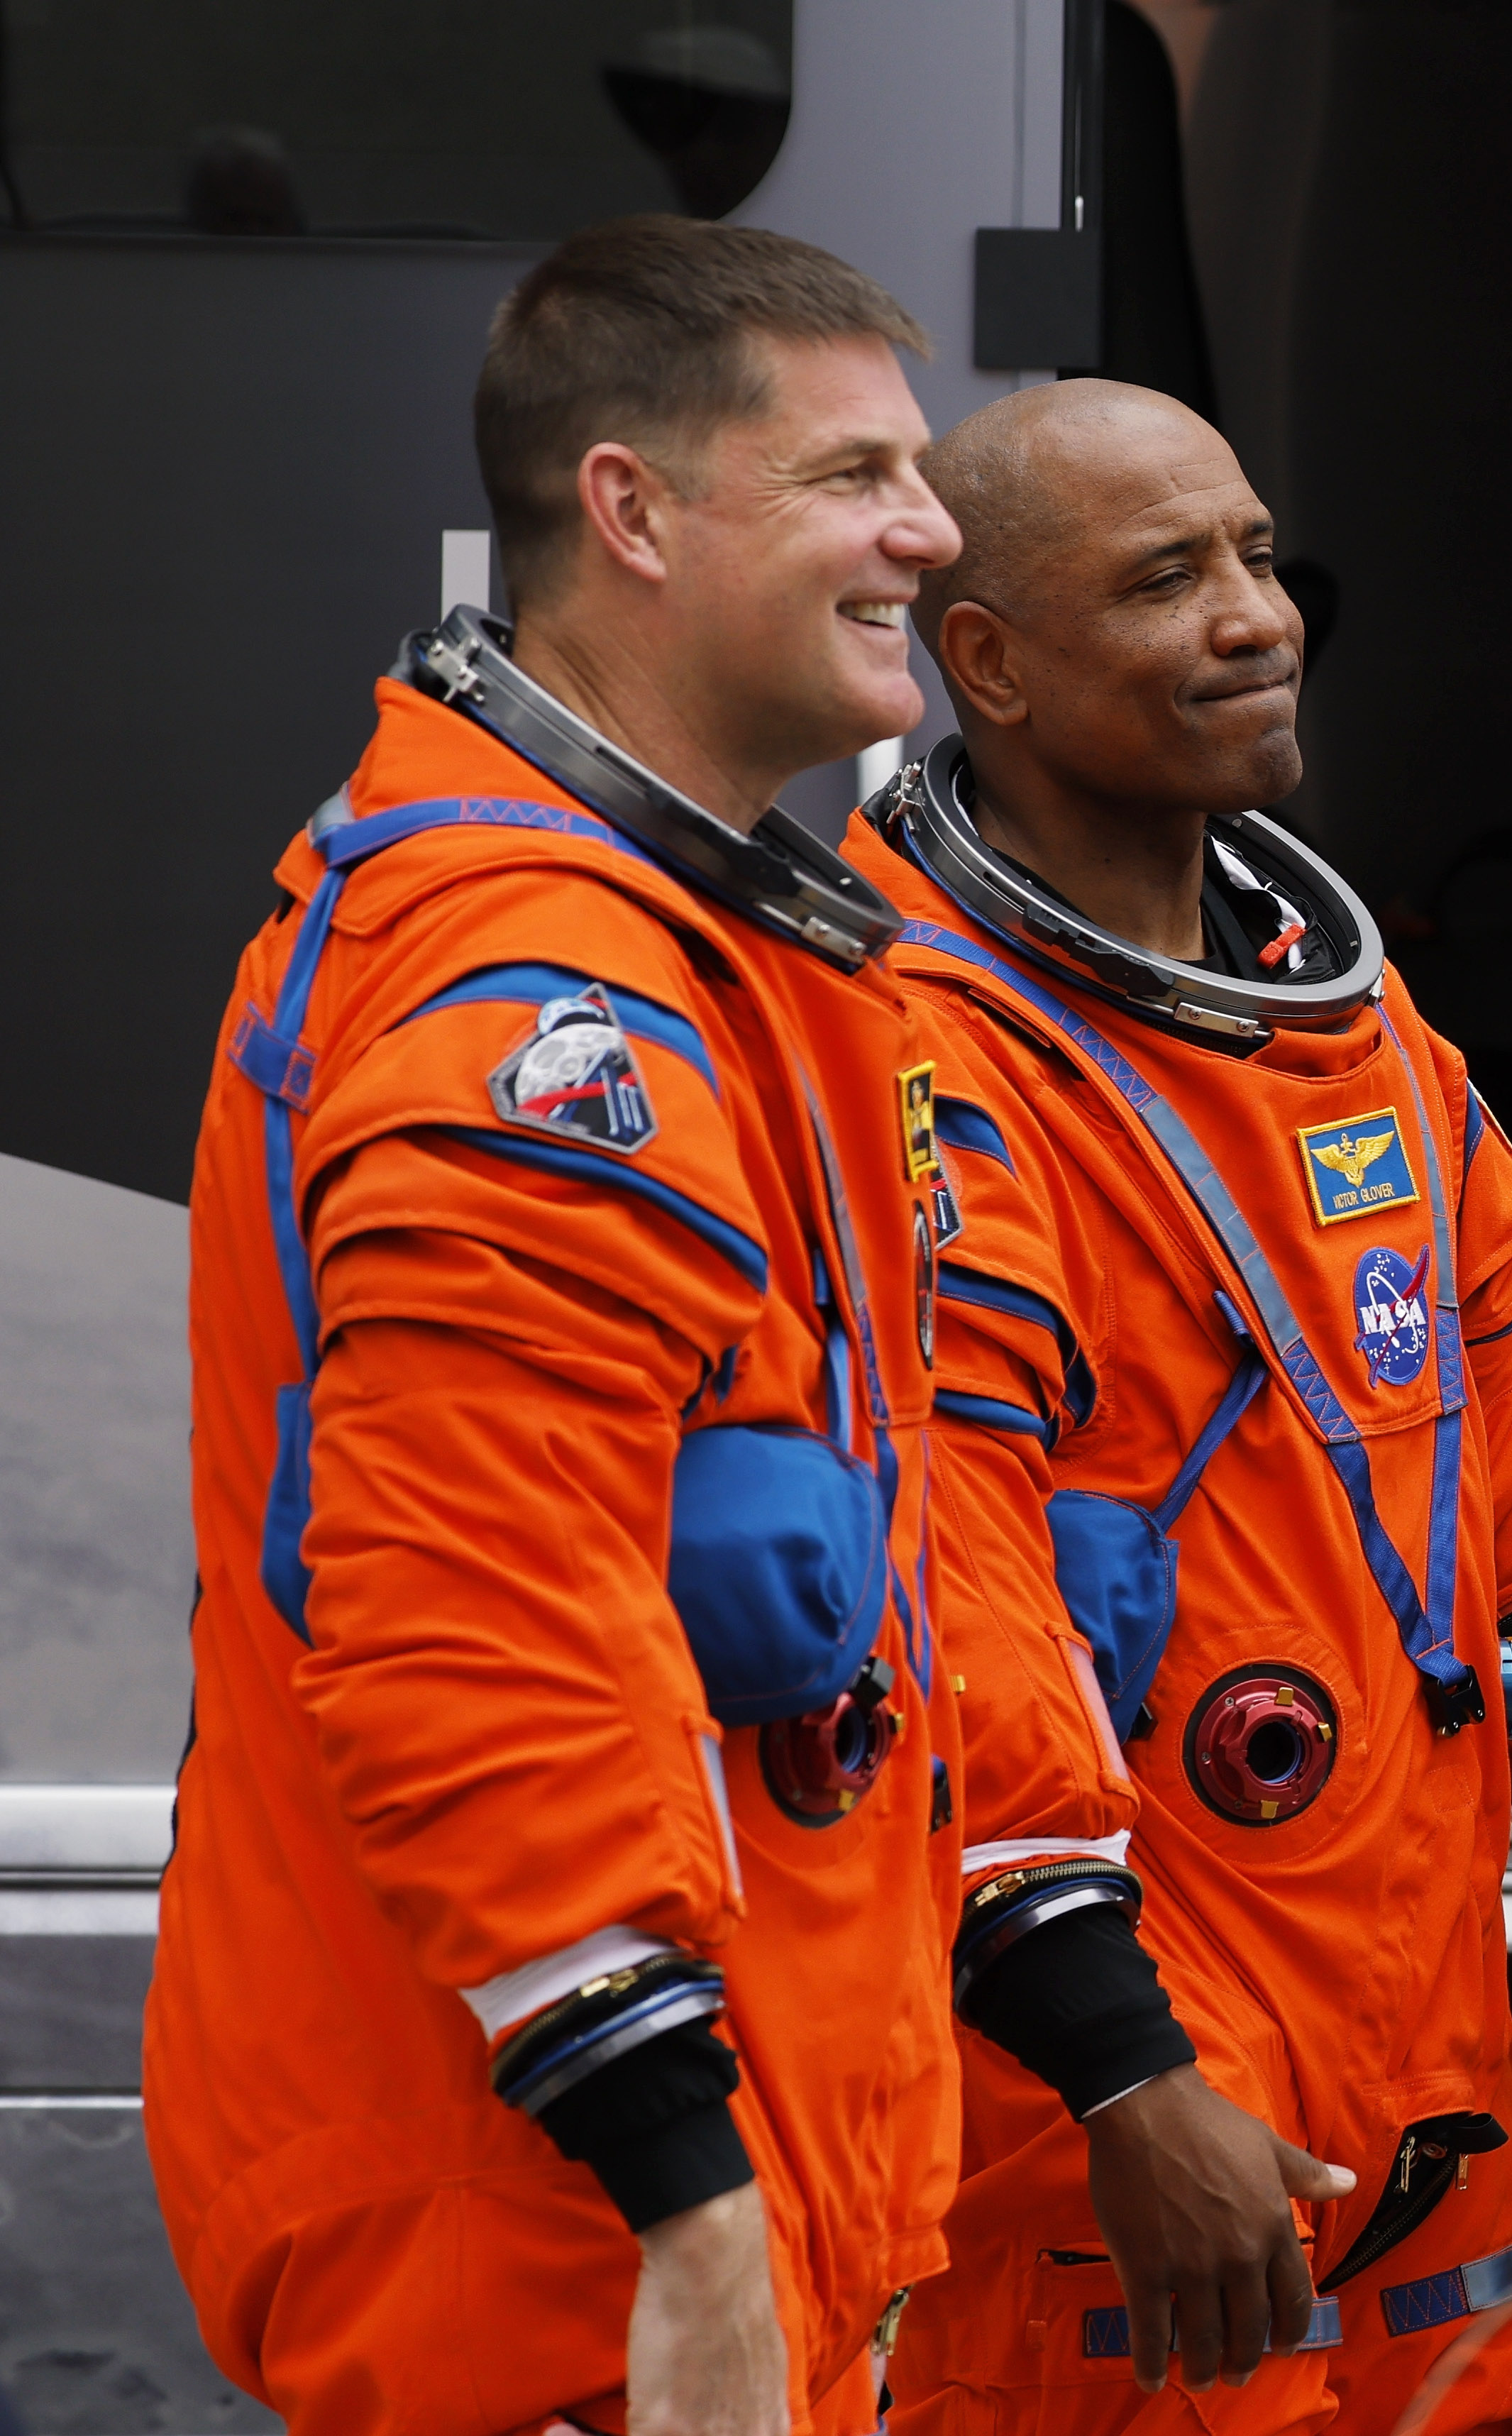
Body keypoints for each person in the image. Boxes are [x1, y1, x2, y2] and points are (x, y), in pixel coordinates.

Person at [847, 380, 1512, 2431]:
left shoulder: (1361, 1026)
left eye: (1262, 557)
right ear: (987, 660)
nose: (1258, 616)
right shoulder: (904, 1056)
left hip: (1424, 2092)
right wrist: (1117, 2064)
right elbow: (953, 1612)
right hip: (1115, 2136)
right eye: (1167, 576)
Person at [151, 217, 976, 2436]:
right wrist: (689, 2207)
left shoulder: (716, 953)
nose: (934, 526)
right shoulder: (539, 984)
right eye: (855, 477)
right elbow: (467, 1603)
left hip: (677, 2209)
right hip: (556, 2253)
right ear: (631, 509)